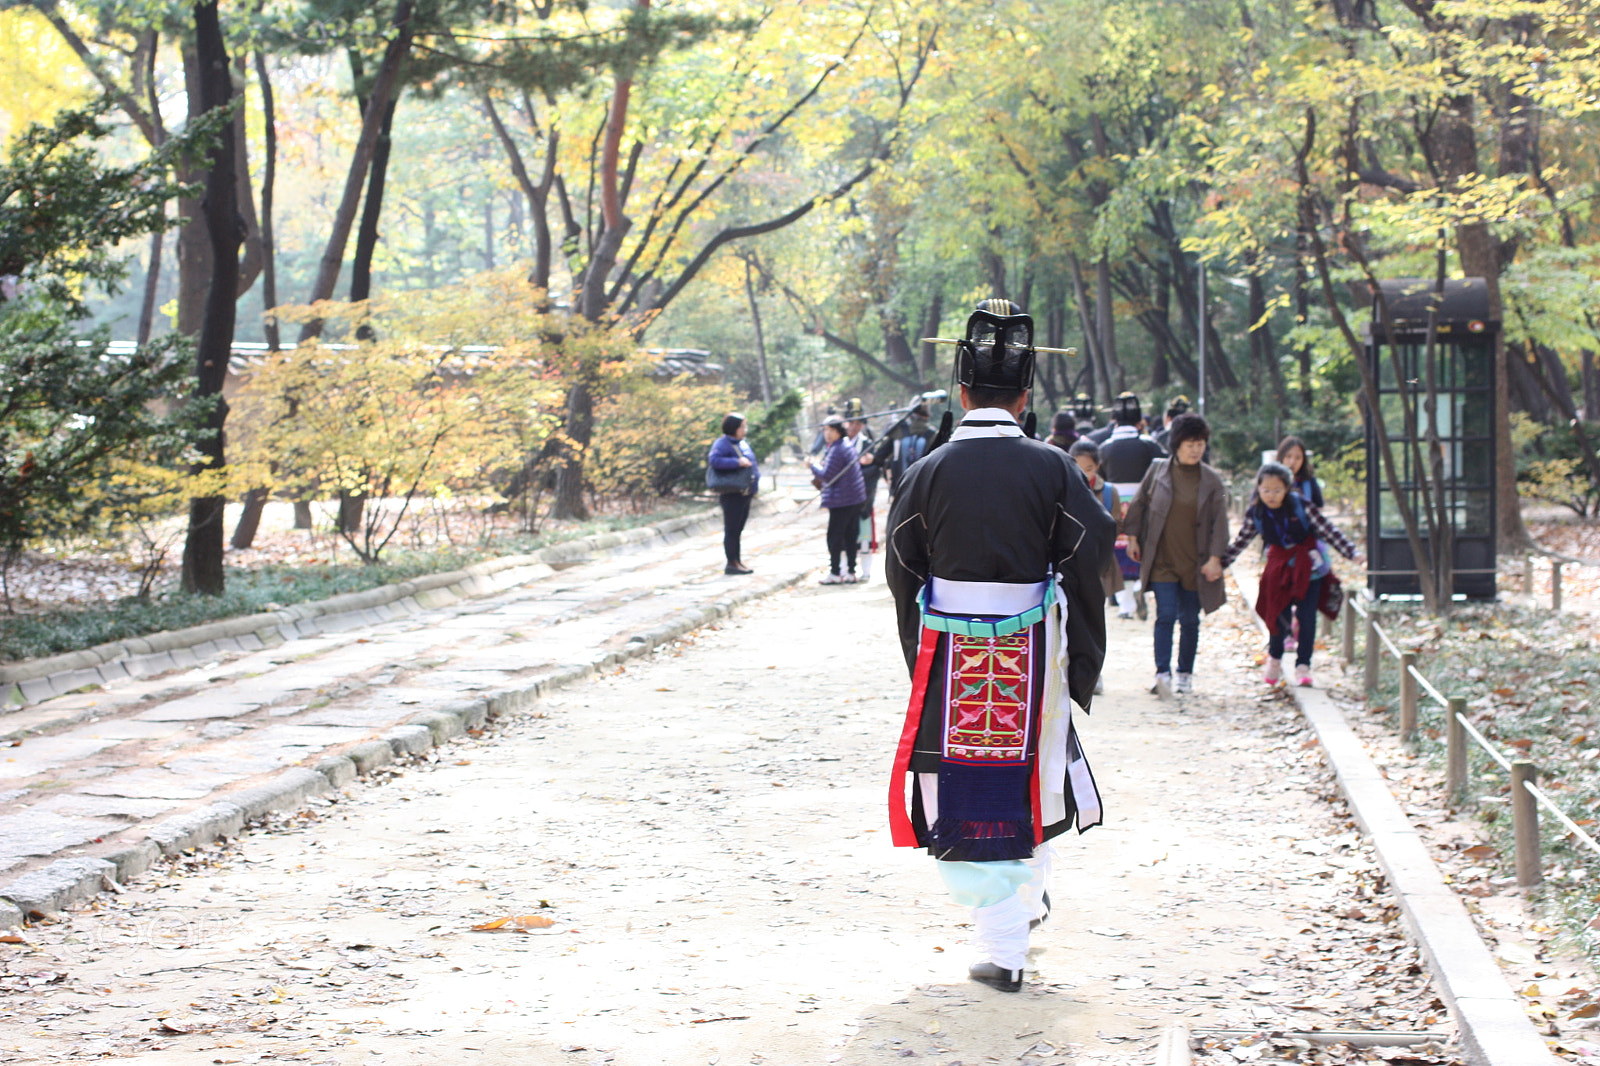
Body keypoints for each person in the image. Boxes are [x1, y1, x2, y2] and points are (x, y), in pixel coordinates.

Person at [886, 297, 1114, 994]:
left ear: (960, 395)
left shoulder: (927, 472)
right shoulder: (1051, 468)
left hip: (953, 656)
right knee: (1033, 769)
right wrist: (1080, 657)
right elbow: (1091, 548)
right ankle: (1024, 906)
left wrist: (917, 651)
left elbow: (901, 567)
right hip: (1032, 650)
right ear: (1024, 397)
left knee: (967, 783)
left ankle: (1004, 946)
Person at [1121, 413, 1229, 698]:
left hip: (1196, 562)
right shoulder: (1157, 471)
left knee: (1190, 619)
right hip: (1162, 560)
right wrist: (1133, 538)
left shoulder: (1212, 481)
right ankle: (1162, 673)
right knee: (1166, 615)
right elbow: (1138, 505)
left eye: (1200, 443)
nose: (1196, 449)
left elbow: (1221, 522)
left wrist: (1216, 558)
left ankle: (1184, 673)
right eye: (1190, 443)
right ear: (1177, 444)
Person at [1223, 462, 1358, 687]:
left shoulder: (1301, 506)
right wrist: (1222, 562)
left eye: (1277, 490)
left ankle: (1303, 665)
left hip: (1310, 570)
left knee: (1307, 619)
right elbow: (1242, 540)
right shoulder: (1256, 511)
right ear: (1258, 488)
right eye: (1266, 490)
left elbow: (1328, 530)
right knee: (1277, 615)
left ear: (1286, 488)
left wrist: (1353, 553)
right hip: (1279, 569)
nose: (1271, 496)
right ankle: (1274, 657)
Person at [1068, 440, 1123, 695]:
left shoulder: (1109, 492)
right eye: (1078, 467)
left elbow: (1114, 525)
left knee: (1093, 619)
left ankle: (1093, 672)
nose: (1083, 473)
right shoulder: (1062, 488)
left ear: (1098, 467)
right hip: (1068, 567)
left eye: (1089, 467)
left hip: (1098, 567)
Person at [811, 415, 867, 584]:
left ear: (838, 431)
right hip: (853, 498)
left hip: (842, 500)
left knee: (834, 537)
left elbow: (827, 475)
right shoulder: (844, 444)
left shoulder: (837, 448)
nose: (827, 434)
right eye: (825, 430)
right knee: (850, 535)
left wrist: (812, 466)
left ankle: (835, 573)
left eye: (830, 430)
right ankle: (851, 571)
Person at [707, 412, 758, 575]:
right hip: (732, 493)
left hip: (745, 492)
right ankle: (732, 563)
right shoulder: (722, 444)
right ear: (734, 428)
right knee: (732, 529)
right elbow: (714, 461)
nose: (745, 429)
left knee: (738, 529)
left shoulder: (742, 443)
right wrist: (736, 462)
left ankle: (737, 561)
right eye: (743, 426)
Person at [844, 399, 881, 582]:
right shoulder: (840, 443)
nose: (853, 426)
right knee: (843, 534)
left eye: (858, 423)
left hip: (862, 496)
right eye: (851, 422)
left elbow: (874, 469)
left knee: (864, 534)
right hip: (842, 498)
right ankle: (844, 569)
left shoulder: (867, 443)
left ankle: (865, 571)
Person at [870, 402, 936, 501]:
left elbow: (879, 457)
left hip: (899, 488)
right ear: (926, 417)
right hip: (924, 490)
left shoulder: (897, 431)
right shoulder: (933, 434)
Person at [1275, 435, 1323, 508]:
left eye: (1298, 458)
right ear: (1281, 457)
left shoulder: (1309, 481)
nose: (1292, 462)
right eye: (1288, 456)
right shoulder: (1270, 478)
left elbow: (1319, 507)